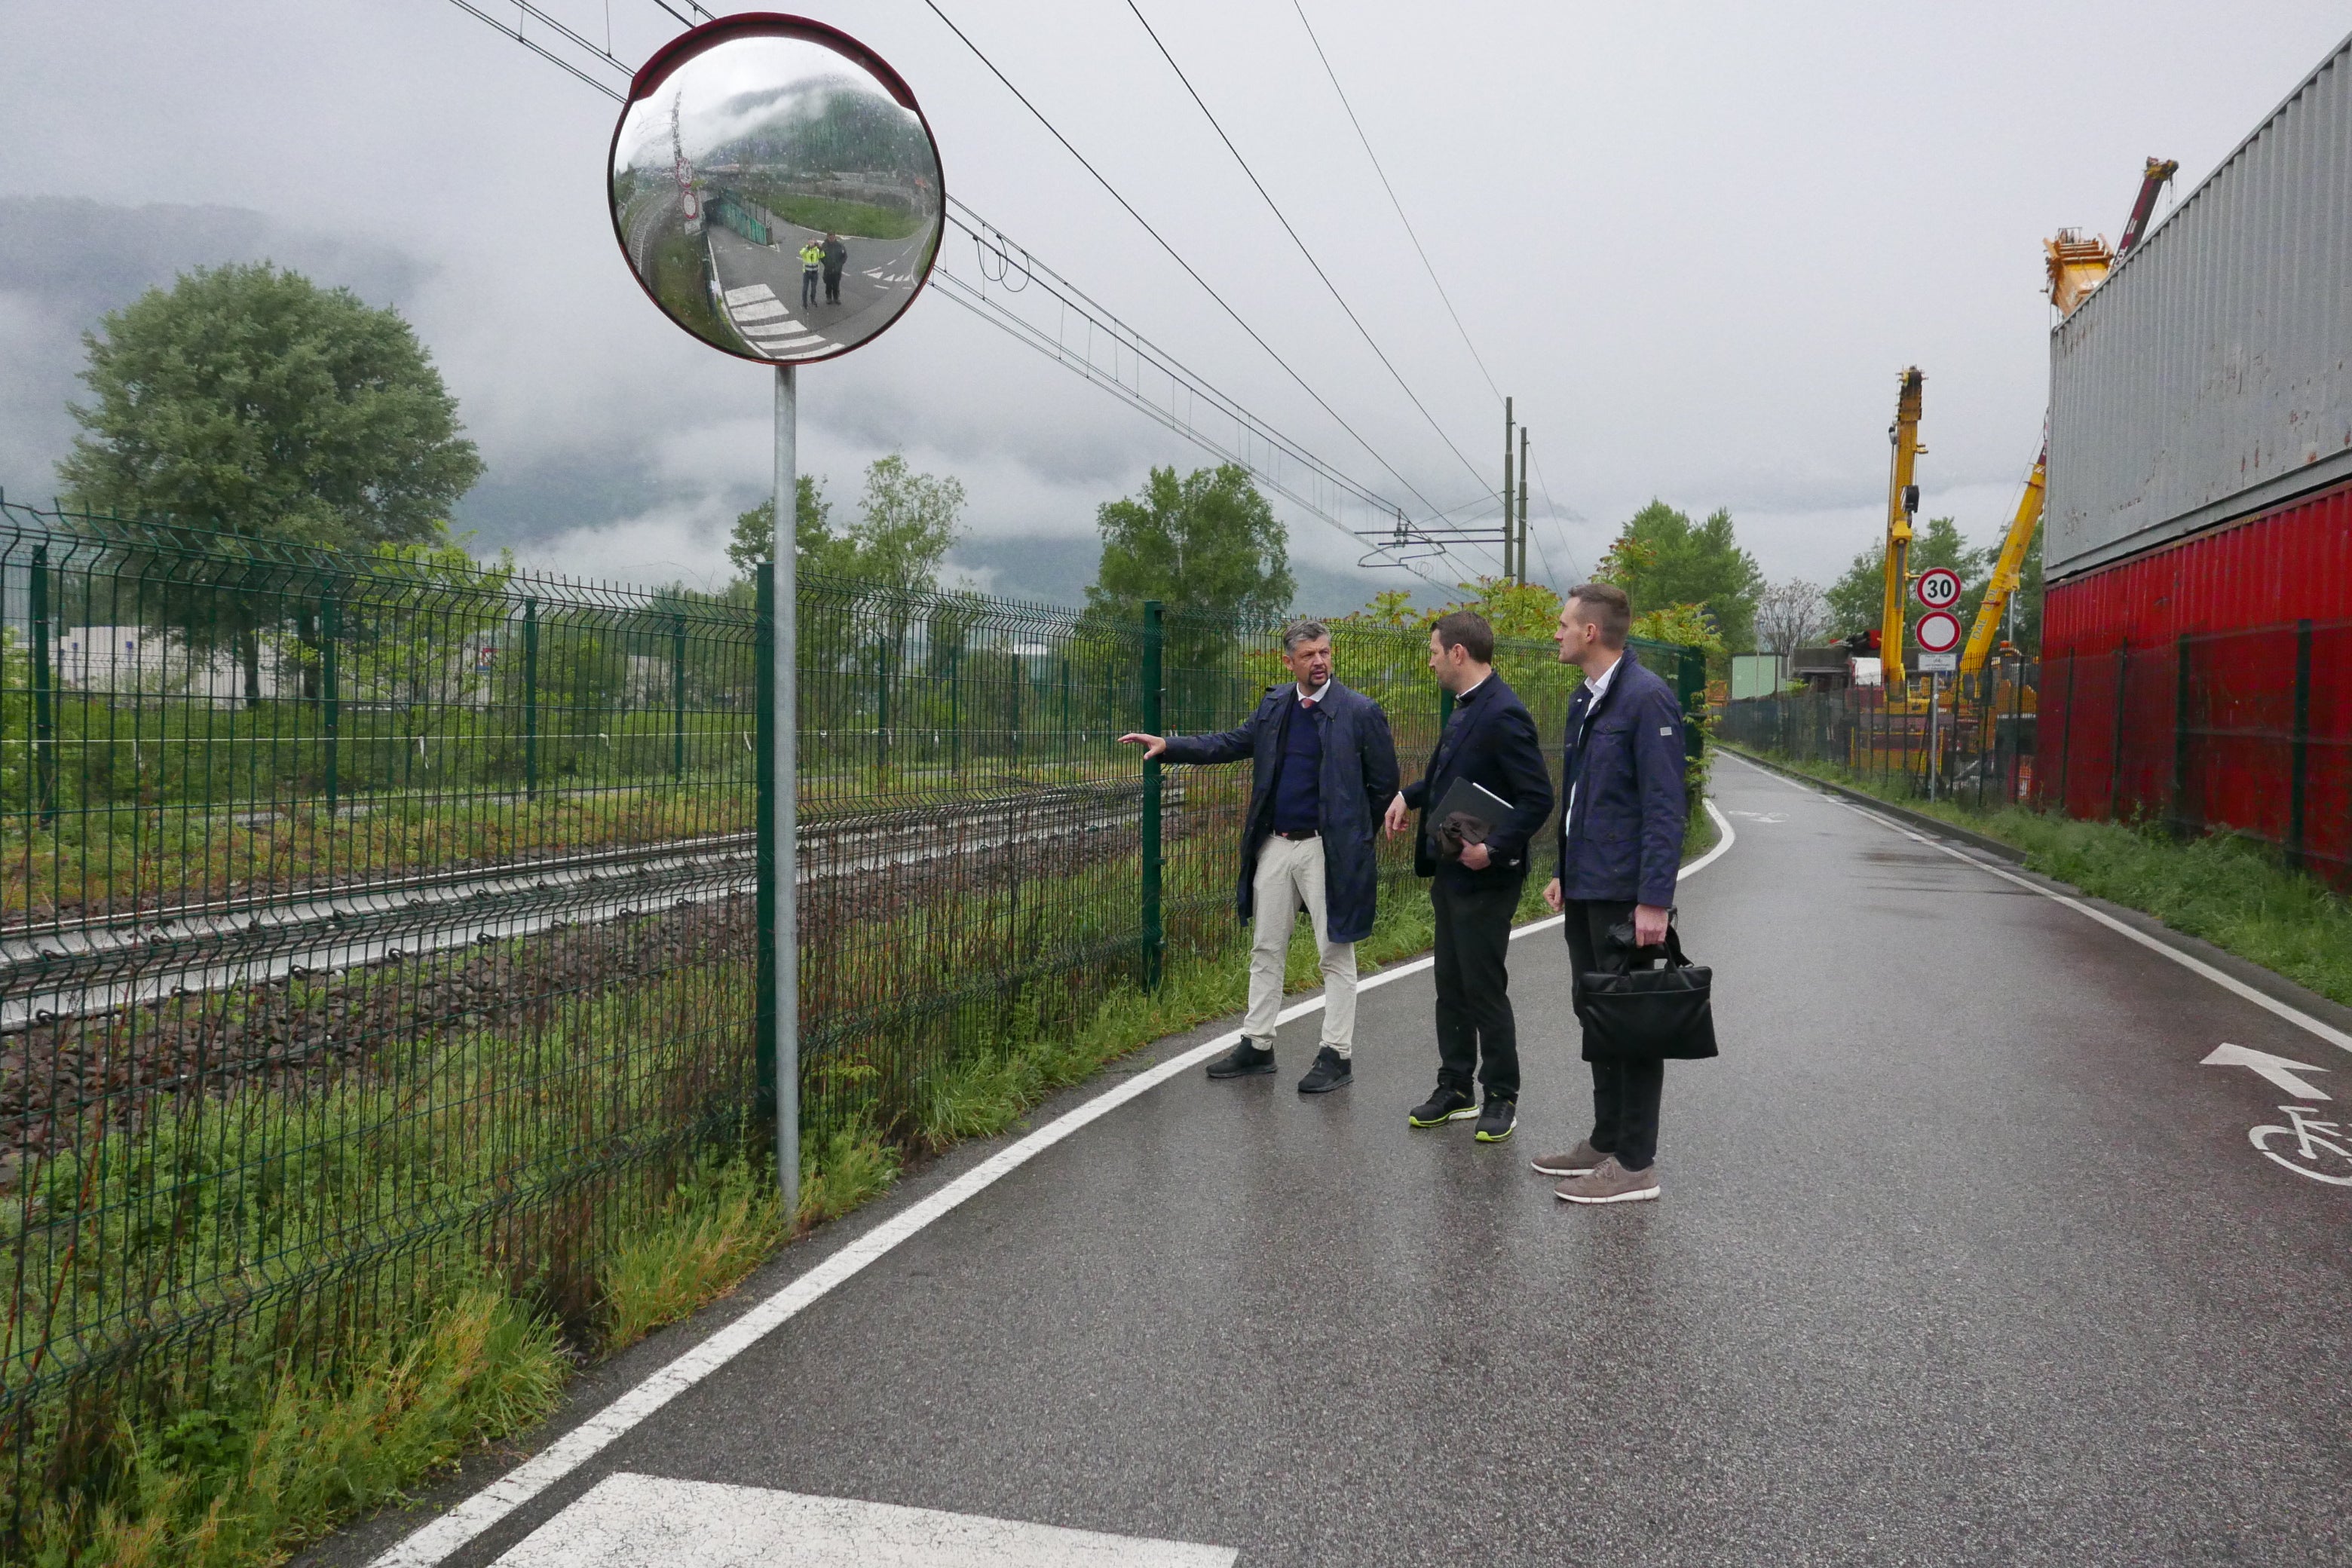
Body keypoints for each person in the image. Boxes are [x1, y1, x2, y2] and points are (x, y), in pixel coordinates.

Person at [1120, 620, 1399, 1093]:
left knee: (1334, 953)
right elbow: (1231, 743)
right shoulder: (1275, 707)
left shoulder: (1359, 712)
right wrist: (1170, 746)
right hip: (1275, 844)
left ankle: (1336, 1055)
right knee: (1266, 948)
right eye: (1309, 655)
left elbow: (1383, 786)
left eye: (1325, 653)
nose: (1320, 662)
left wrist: (1352, 837)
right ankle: (1258, 1044)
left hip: (1327, 849)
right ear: (1288, 661)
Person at [1533, 582, 1689, 1205]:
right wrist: (1566, 870)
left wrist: (1654, 898)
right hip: (1589, 885)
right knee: (1595, 1012)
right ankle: (1603, 1142)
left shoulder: (1646, 699)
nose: (1557, 632)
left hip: (1627, 892)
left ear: (1591, 632)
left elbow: (1663, 806)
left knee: (1633, 1025)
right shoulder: (1587, 699)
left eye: (1564, 624)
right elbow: (1580, 797)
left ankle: (1635, 1164)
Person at [1382, 611, 1554, 1143]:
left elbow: (1538, 798)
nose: (1430, 660)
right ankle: (1455, 1087)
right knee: (1450, 984)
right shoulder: (1463, 708)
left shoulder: (1504, 712)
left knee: (1483, 986)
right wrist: (1407, 796)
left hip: (1488, 876)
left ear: (1459, 653)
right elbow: (1443, 774)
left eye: (1434, 651)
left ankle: (1501, 1094)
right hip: (1451, 867)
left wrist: (1495, 849)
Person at [821, 233, 847, 305]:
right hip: (828, 270)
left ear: (835, 237)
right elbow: (822, 256)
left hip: (837, 270)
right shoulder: (824, 246)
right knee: (828, 284)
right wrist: (826, 263)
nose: (832, 239)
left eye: (833, 238)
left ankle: (836, 298)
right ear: (828, 237)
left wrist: (840, 264)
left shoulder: (840, 246)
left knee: (836, 285)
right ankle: (829, 297)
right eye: (830, 238)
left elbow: (844, 256)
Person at [799, 238, 824, 308]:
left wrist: (821, 249)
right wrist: (808, 248)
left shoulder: (817, 250)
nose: (812, 244)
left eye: (813, 243)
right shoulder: (805, 250)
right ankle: (804, 302)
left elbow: (822, 256)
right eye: (811, 243)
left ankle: (813, 300)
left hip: (815, 273)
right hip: (807, 273)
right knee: (805, 289)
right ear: (808, 243)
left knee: (814, 288)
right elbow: (801, 253)